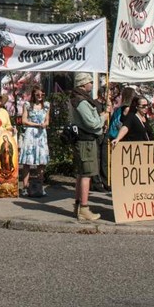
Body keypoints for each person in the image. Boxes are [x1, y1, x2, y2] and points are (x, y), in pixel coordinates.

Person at [66, 73, 104, 222]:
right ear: (83, 84)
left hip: (83, 140)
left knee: (81, 174)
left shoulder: (79, 100)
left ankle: (78, 207)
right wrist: (102, 118)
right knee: (86, 174)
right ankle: (84, 208)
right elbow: (91, 123)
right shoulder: (81, 102)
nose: (91, 84)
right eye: (90, 82)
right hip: (85, 141)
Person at [18, 92, 49, 198]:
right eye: (37, 94)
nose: (40, 96)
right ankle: (25, 187)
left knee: (41, 162)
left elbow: (47, 120)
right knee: (27, 161)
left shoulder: (46, 105)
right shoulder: (27, 105)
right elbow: (24, 120)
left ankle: (40, 186)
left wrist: (45, 124)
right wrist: (36, 124)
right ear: (33, 95)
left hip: (41, 134)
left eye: (42, 94)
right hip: (31, 133)